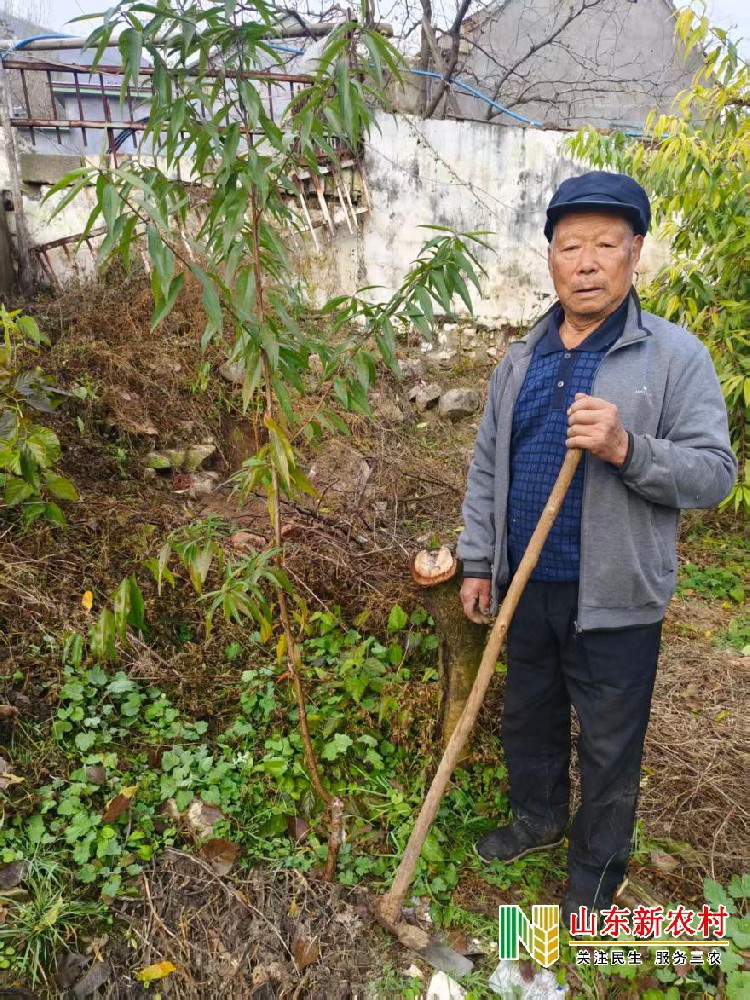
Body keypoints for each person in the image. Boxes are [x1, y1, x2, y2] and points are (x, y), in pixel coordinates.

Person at [456, 171, 737, 926]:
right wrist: (479, 559)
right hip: (527, 583)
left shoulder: (674, 357)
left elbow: (714, 475)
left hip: (615, 593)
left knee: (610, 742)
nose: (586, 261)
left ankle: (597, 870)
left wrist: (626, 447)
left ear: (635, 253)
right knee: (529, 716)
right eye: (569, 245)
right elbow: (487, 463)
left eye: (605, 245)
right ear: (549, 257)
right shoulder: (521, 358)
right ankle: (537, 820)